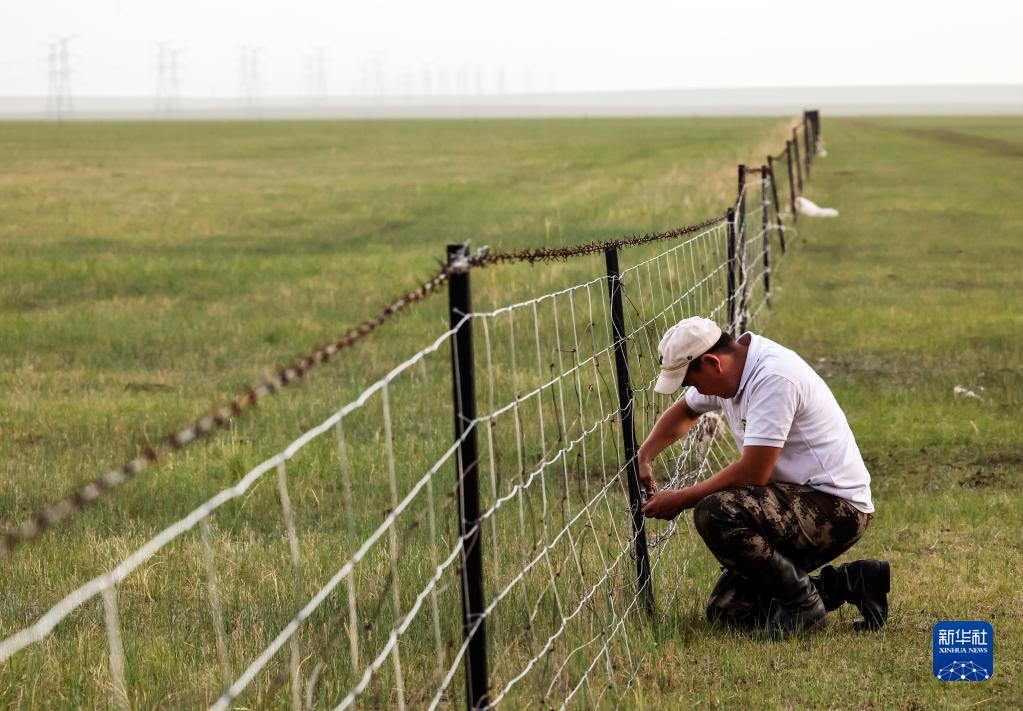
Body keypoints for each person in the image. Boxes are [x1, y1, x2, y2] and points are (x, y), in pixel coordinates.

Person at [638, 316, 890, 638]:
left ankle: (802, 605)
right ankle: (852, 583)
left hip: (837, 507)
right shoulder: (731, 371)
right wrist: (645, 455)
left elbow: (754, 472)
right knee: (729, 612)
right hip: (798, 498)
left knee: (715, 512)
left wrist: (682, 499)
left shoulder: (774, 377)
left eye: (692, 381)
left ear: (712, 363)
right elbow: (685, 411)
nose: (695, 390)